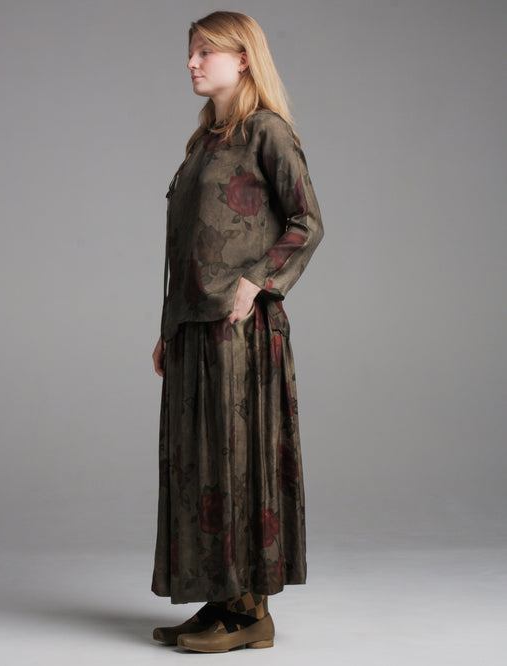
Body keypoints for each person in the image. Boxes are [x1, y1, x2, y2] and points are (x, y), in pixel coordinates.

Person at [150, 10, 324, 653]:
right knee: (201, 465)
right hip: (194, 329)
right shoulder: (203, 144)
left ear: (243, 58)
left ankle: (250, 611)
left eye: (205, 52)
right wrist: (167, 326)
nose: (191, 63)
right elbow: (184, 246)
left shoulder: (265, 132)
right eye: (191, 52)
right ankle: (221, 601)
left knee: (237, 460)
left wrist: (260, 280)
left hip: (239, 330)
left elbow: (307, 222)